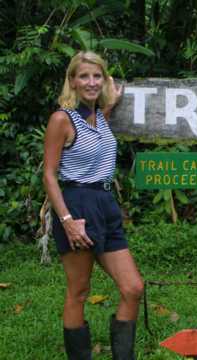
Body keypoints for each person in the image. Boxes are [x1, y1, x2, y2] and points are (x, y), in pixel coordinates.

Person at [43, 51, 144, 359]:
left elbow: (97, 139)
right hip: (77, 205)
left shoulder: (99, 117)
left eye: (97, 76)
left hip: (106, 204)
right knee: (79, 290)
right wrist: (66, 219)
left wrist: (109, 102)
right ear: (71, 81)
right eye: (83, 76)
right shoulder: (62, 119)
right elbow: (49, 174)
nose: (91, 82)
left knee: (133, 288)